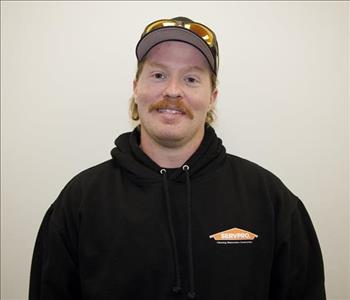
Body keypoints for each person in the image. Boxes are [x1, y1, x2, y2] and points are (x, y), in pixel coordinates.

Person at [29, 16, 326, 300]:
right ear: (136, 88)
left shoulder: (270, 200)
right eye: (158, 75)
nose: (173, 91)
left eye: (191, 79)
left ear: (213, 96)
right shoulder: (79, 201)